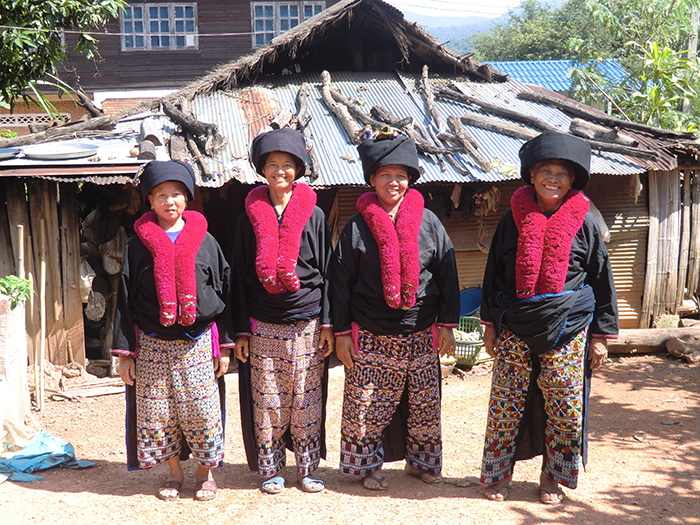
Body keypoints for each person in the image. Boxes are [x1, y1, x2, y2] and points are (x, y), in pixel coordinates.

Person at [479, 131, 619, 504]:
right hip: (515, 322)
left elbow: (602, 278)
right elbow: (493, 272)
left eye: (562, 173)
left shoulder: (585, 222)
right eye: (546, 171)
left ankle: (552, 477)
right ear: (532, 175)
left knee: (565, 403)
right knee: (506, 401)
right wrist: (489, 324)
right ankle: (498, 476)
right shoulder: (512, 220)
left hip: (568, 325)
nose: (553, 179)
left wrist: (601, 336)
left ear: (572, 180)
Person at [331, 128, 460, 491]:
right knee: (366, 405)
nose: (394, 182)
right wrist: (341, 334)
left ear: (410, 180)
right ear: (371, 179)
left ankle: (421, 463)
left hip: (420, 331)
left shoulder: (430, 222)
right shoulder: (356, 227)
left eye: (401, 175)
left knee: (424, 404)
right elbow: (339, 284)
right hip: (372, 333)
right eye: (385, 174)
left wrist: (447, 325)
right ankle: (365, 466)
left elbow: (447, 274)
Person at [112, 160, 233, 502]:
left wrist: (223, 345)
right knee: (159, 412)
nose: (170, 202)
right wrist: (125, 355)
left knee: (201, 409)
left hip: (196, 342)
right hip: (151, 341)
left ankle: (205, 474)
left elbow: (224, 292)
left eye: (177, 194)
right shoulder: (137, 246)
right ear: (149, 201)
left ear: (187, 198)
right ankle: (174, 474)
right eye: (161, 195)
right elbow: (125, 298)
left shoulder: (206, 241)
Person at [233, 127, 334, 494]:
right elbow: (240, 276)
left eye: (287, 165)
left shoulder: (316, 216)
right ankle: (271, 469)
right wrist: (241, 330)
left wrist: (327, 324)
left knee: (306, 398)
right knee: (268, 400)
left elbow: (327, 273)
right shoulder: (250, 217)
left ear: (298, 170)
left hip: (307, 321)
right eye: (272, 164)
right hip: (263, 324)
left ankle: (307, 469)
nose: (280, 171)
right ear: (262, 171)